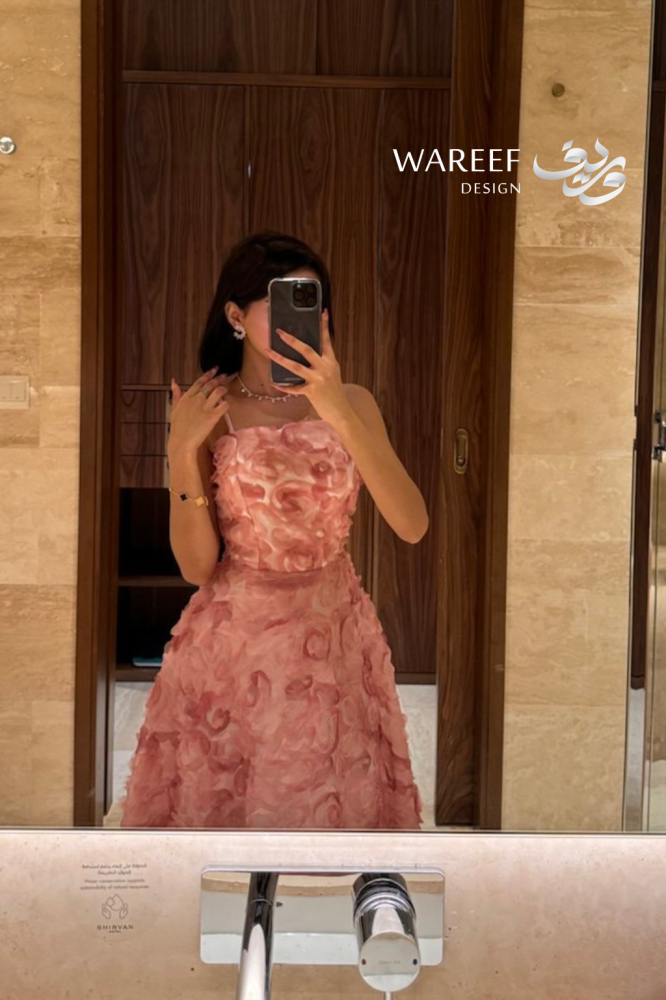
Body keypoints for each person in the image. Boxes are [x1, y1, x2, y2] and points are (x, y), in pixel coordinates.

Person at [119, 230, 429, 829]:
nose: (301, 318)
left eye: (312, 302)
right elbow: (197, 568)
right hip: (237, 641)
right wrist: (180, 452)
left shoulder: (354, 403)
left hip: (333, 632)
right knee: (231, 810)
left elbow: (412, 525)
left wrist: (337, 411)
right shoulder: (211, 408)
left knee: (332, 804)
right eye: (283, 300)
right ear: (236, 316)